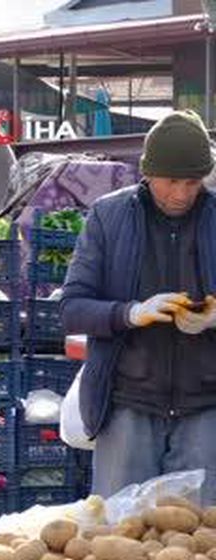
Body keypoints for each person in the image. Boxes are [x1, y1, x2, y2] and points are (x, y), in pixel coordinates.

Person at [62, 109, 216, 504]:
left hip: (206, 411)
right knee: (117, 538)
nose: (181, 193)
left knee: (197, 548)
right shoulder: (108, 217)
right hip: (127, 408)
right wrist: (130, 313)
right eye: (171, 181)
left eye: (193, 181)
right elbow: (72, 308)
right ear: (147, 173)